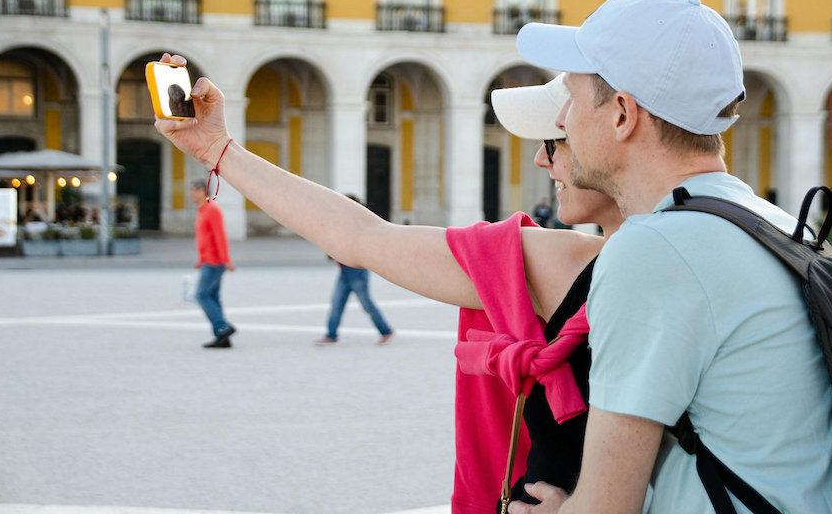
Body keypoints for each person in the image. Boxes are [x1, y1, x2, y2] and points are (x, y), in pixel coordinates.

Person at [155, 60, 624, 514]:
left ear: (624, 123)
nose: (542, 157)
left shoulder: (569, 266)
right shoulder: (567, 264)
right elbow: (360, 237)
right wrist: (217, 150)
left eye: (557, 138)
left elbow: (362, 239)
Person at [506, 0, 832, 514]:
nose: (560, 121)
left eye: (572, 97)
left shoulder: (653, 251)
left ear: (623, 113)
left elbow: (604, 508)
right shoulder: (773, 223)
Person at [314, 194, 395, 346]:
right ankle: (331, 335)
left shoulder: (357, 224)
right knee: (337, 302)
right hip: (345, 270)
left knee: (366, 303)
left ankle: (385, 330)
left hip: (356, 271)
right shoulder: (343, 222)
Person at [189, 177, 237, 348]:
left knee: (201, 295)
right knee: (213, 296)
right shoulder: (202, 210)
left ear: (202, 191)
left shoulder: (212, 210)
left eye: (193, 190)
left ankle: (222, 327)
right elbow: (205, 238)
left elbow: (219, 236)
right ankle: (222, 336)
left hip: (215, 261)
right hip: (207, 260)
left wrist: (226, 260)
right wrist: (200, 259)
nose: (191, 194)